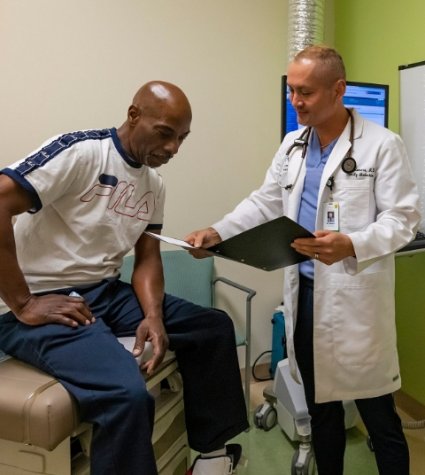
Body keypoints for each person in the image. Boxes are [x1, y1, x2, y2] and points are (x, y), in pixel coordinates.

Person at [185, 46, 420, 475]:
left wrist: (352, 243)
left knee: (379, 416)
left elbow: (403, 219)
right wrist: (218, 231)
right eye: (291, 90)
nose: (295, 100)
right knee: (320, 409)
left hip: (355, 301)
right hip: (305, 296)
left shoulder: (382, 146)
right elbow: (265, 202)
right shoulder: (293, 145)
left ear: (338, 90)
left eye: (305, 92)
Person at [0, 81, 248, 475]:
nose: (173, 149)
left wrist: (152, 314)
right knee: (127, 394)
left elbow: (147, 257)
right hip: (43, 299)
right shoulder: (81, 152)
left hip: (105, 293)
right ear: (134, 116)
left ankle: (212, 458)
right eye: (165, 133)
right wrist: (24, 303)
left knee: (212, 327)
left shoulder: (154, 184)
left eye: (181, 139)